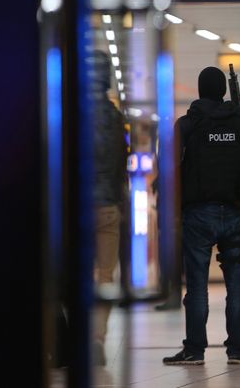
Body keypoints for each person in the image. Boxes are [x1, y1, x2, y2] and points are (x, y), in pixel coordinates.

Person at [163, 67, 240, 366]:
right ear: (224, 90)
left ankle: (195, 350)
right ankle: (237, 349)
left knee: (196, 285)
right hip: (235, 212)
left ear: (198, 90)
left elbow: (168, 168)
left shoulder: (186, 125)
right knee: (236, 282)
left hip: (197, 213)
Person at [89, 50, 128, 367]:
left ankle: (64, 334)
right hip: (107, 206)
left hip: (72, 206)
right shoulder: (115, 117)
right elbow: (120, 164)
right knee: (105, 274)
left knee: (64, 272)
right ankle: (97, 338)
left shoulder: (63, 108)